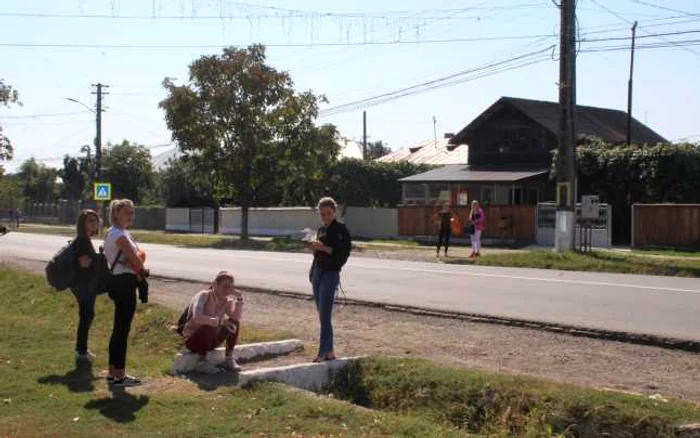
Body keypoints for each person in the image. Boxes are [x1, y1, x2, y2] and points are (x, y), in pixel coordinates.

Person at [103, 199, 149, 387]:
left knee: (118, 330)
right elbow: (137, 263)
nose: (131, 216)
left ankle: (113, 373)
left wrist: (137, 259)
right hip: (124, 283)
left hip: (119, 281)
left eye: (132, 212)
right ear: (116, 214)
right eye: (126, 213)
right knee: (122, 331)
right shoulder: (118, 234)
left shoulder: (117, 233)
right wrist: (142, 262)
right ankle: (120, 376)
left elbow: (132, 259)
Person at [307, 197, 351, 363]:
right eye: (322, 214)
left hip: (330, 274)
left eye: (328, 214)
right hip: (317, 271)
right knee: (322, 315)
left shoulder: (341, 229)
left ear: (335, 211)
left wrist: (322, 247)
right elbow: (318, 253)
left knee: (325, 316)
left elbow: (342, 254)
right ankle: (330, 351)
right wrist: (313, 247)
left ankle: (322, 352)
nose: (325, 217)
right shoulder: (321, 229)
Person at [181, 270, 244, 373]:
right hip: (193, 340)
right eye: (224, 286)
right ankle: (201, 362)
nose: (227, 290)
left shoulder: (227, 301)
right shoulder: (204, 295)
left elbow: (236, 318)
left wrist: (239, 298)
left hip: (211, 340)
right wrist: (216, 321)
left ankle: (228, 359)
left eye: (230, 287)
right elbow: (197, 317)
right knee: (210, 324)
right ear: (215, 284)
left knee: (234, 323)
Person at [71, 209, 101, 362]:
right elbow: (83, 263)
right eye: (90, 220)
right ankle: (81, 351)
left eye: (95, 220)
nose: (94, 223)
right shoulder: (82, 240)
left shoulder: (85, 239)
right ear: (82, 223)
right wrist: (98, 259)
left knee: (87, 315)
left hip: (85, 284)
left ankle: (81, 349)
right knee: (86, 315)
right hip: (82, 284)